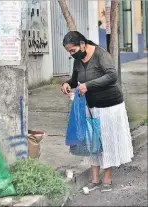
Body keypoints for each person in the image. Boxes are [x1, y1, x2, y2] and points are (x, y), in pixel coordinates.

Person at [61, 31, 133, 192]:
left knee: (106, 141)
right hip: (90, 106)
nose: (72, 54)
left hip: (109, 106)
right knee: (92, 141)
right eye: (69, 52)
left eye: (73, 50)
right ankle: (94, 179)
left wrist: (88, 85)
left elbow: (112, 76)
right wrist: (67, 84)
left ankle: (107, 178)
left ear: (82, 44)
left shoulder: (101, 54)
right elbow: (75, 79)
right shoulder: (78, 60)